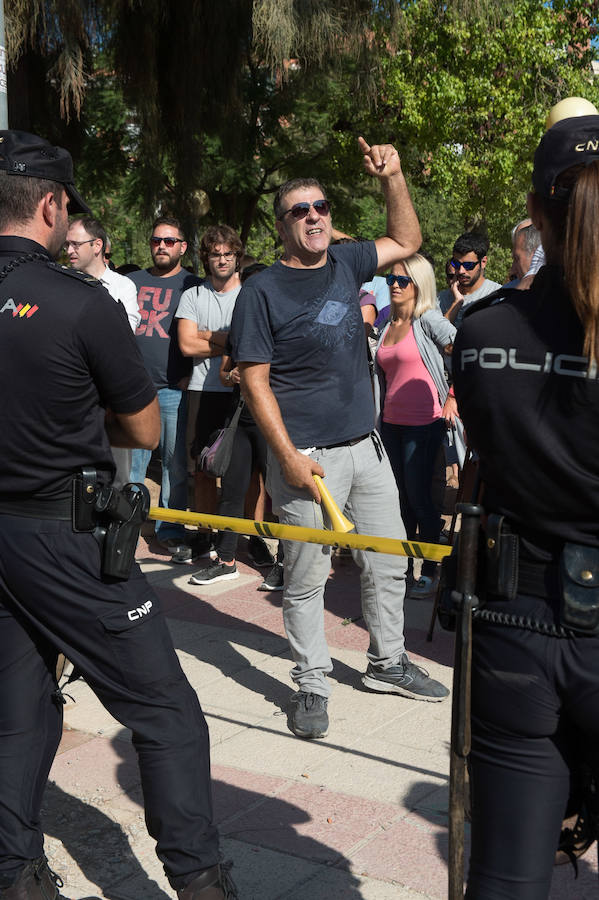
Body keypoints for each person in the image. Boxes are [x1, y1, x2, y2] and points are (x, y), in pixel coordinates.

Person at [0, 132, 236, 899]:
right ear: (49, 205)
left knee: (19, 708)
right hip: (64, 531)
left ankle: (14, 874)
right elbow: (142, 428)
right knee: (166, 711)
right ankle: (199, 879)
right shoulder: (81, 302)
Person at [230, 137, 449, 742]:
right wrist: (287, 459)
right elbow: (254, 381)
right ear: (282, 226)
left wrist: (393, 177)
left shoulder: (349, 261)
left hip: (366, 447)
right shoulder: (261, 292)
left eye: (320, 206)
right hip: (308, 460)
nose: (314, 216)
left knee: (387, 560)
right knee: (304, 578)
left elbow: (407, 240)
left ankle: (387, 663)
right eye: (300, 210)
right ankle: (312, 683)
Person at [453, 113, 599, 898]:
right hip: (528, 610)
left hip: (514, 627)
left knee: (505, 876)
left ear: (535, 214)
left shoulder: (482, 332)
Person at [374, 254, 456, 597]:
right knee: (399, 500)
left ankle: (431, 571)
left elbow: (465, 352)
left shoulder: (429, 319)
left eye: (402, 281)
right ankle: (404, 570)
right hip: (391, 425)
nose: (394, 285)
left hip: (425, 423)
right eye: (390, 279)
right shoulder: (387, 323)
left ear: (418, 285)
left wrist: (453, 395)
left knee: (421, 499)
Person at [129, 218, 202, 559]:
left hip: (175, 388)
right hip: (134, 389)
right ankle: (126, 525)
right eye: (157, 240)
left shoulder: (194, 285)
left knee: (174, 464)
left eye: (170, 241)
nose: (162, 246)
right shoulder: (131, 282)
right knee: (132, 463)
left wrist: (191, 373)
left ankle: (170, 529)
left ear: (183, 247)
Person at [65, 215, 140, 488]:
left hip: (110, 395)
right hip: (72, 393)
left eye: (76, 244)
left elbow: (123, 337)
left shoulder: (123, 287)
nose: (69, 251)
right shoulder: (61, 284)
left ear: (97, 246)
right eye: (67, 245)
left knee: (117, 477)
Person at [438, 232, 501, 328]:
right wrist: (456, 303)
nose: (461, 271)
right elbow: (436, 336)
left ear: (483, 262)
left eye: (468, 265)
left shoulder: (498, 297)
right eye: (456, 264)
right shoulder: (440, 300)